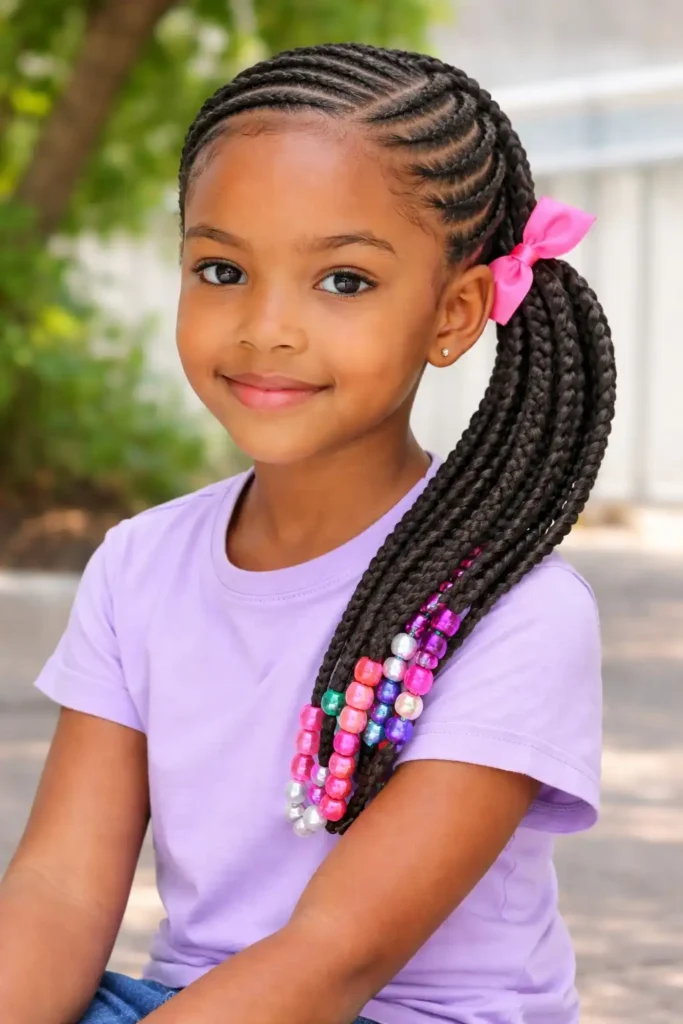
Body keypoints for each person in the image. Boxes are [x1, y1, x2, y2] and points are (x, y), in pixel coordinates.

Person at [0, 41, 616, 1024]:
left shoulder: (512, 609)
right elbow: (58, 892)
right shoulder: (139, 564)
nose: (265, 328)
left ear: (453, 312)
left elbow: (337, 955)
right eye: (220, 268)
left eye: (342, 281)